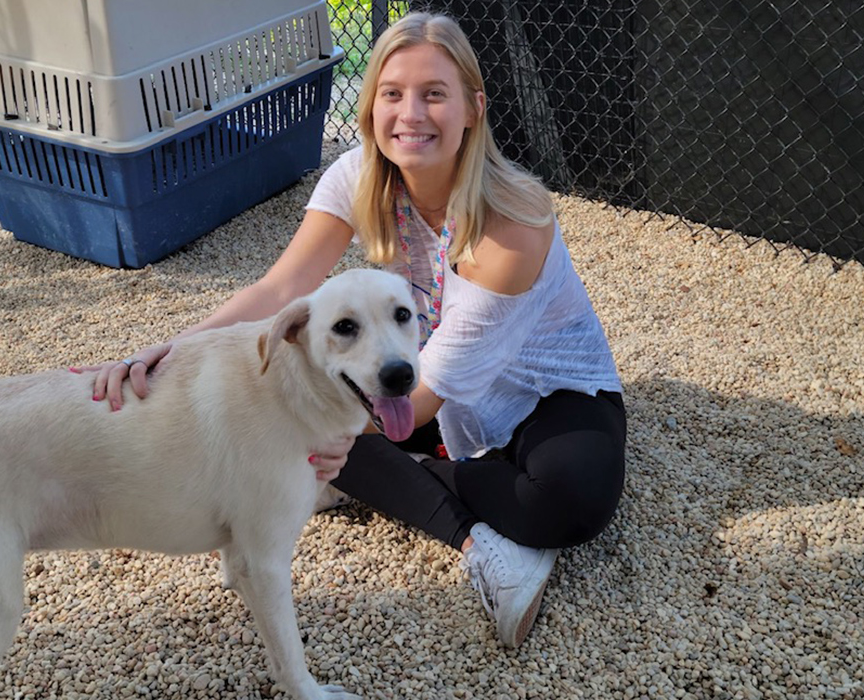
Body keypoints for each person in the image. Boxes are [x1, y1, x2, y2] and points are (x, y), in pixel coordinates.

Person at [75, 12, 626, 649]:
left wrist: (325, 432)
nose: (411, 114)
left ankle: (385, 473)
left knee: (570, 501)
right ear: (370, 108)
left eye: (434, 94)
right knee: (299, 400)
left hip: (543, 392)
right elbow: (281, 290)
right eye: (392, 94)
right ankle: (475, 541)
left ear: (474, 108)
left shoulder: (514, 220)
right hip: (411, 380)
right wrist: (169, 352)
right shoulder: (358, 175)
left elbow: (432, 388)